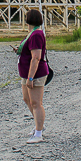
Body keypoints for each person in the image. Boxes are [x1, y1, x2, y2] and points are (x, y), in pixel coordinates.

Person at [12, 9, 48, 144]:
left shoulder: (36, 35)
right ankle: (39, 124)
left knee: (36, 103)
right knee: (27, 99)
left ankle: (38, 133)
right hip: (26, 73)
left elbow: (36, 57)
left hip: (35, 74)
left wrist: (31, 78)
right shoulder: (32, 34)